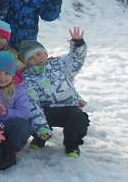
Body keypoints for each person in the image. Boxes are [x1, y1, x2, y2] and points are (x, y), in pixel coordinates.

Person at [21, 27, 90, 158]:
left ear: (45, 53)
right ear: (27, 63)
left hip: (68, 108)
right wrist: (41, 127)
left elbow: (76, 60)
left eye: (39, 54)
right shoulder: (28, 79)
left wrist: (78, 44)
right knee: (31, 116)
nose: (37, 59)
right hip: (46, 110)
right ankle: (41, 136)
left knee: (79, 118)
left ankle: (71, 143)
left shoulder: (60, 65)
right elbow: (33, 105)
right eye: (31, 58)